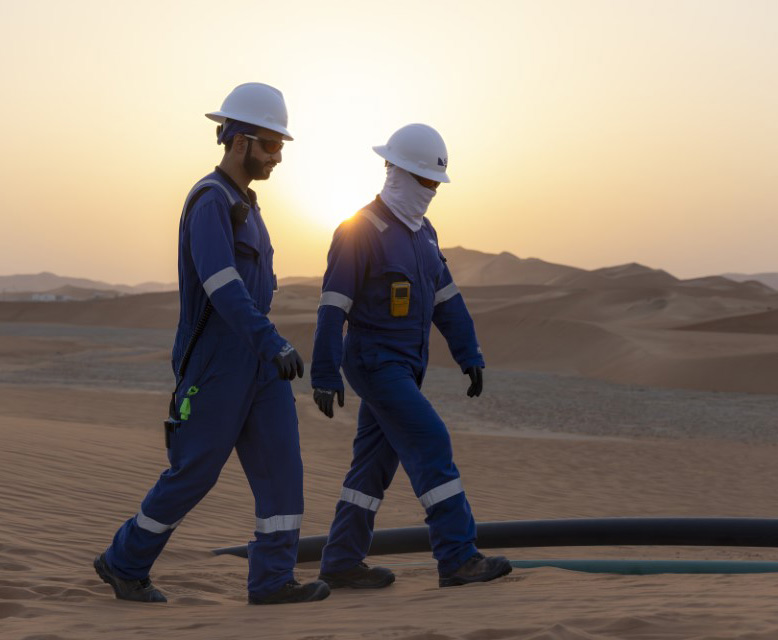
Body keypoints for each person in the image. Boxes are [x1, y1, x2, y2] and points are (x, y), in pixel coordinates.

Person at [94, 83, 329, 605]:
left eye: (281, 145)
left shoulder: (248, 205)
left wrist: (266, 347)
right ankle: (123, 562)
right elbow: (222, 285)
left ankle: (272, 580)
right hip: (216, 361)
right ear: (239, 141)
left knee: (282, 469)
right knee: (195, 472)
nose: (278, 156)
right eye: (271, 144)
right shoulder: (210, 202)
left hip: (258, 361)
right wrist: (271, 341)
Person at [310, 123, 512, 589]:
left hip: (407, 365)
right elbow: (332, 307)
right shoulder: (359, 231)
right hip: (375, 363)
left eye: (436, 182)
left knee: (372, 465)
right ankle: (457, 557)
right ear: (396, 171)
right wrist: (324, 372)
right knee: (431, 442)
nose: (431, 190)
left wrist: (469, 352)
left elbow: (447, 299)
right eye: (425, 180)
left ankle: (340, 561)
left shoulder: (424, 235)